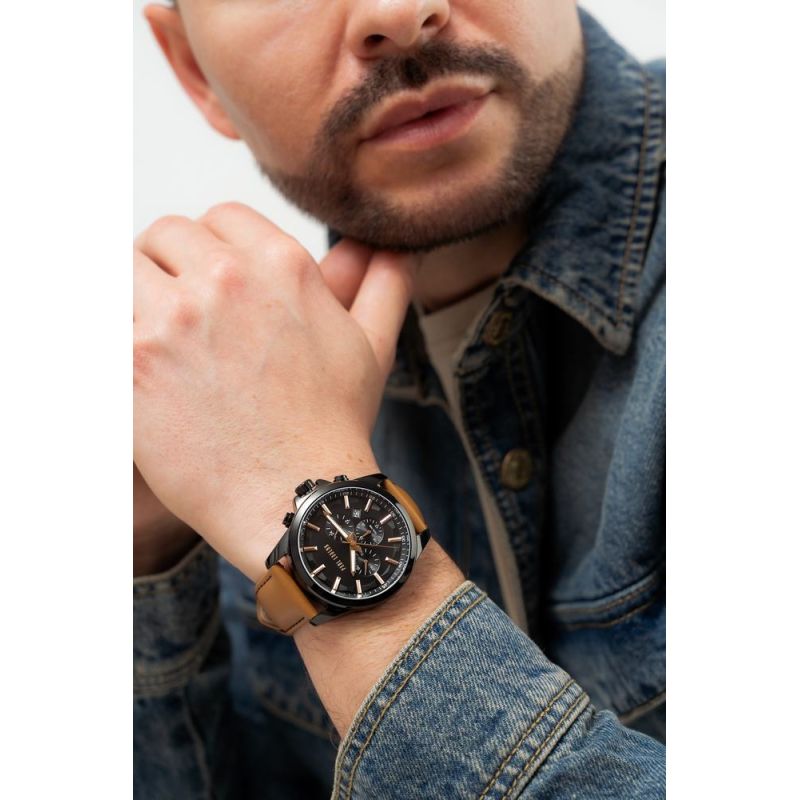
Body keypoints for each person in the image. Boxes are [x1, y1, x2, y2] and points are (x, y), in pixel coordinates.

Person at [133, 1, 666, 797]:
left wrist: (370, 604)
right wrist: (147, 552)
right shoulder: (214, 396)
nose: (398, 12)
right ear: (193, 71)